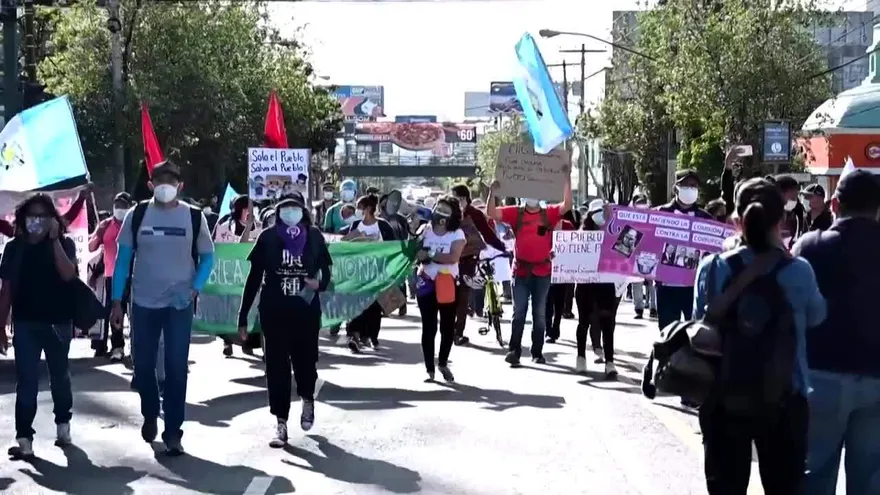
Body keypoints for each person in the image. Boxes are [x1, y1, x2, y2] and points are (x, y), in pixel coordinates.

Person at [693, 177, 825, 494]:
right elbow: (818, 316)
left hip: (724, 399)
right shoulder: (799, 270)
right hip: (784, 400)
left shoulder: (711, 268)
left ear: (735, 219)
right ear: (781, 221)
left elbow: (700, 325)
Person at [110, 161, 215, 456]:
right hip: (142, 304)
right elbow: (122, 261)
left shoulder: (194, 217)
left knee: (176, 368)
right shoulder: (138, 214)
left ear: (180, 185)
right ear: (151, 185)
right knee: (142, 367)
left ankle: (173, 432)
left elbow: (208, 257)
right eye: (161, 179)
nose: (166, 184)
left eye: (172, 179)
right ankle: (149, 411)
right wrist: (116, 301)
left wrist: (195, 287)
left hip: (178, 305)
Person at [793, 170, 880, 495]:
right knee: (871, 478)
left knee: (815, 475)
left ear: (834, 203)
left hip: (821, 377)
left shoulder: (811, 246)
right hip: (876, 380)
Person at [237, 192, 331, 447]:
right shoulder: (268, 238)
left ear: (303, 210)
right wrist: (243, 316)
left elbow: (327, 273)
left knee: (305, 365)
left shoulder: (313, 237)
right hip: (274, 313)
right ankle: (281, 423)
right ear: (278, 211)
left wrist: (319, 283)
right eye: (285, 207)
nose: (290, 212)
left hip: (305, 313)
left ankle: (307, 399)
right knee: (276, 368)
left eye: (295, 207)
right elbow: (254, 277)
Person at [2, 194, 79, 459]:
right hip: (26, 324)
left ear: (53, 220)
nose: (36, 221)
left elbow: (69, 274)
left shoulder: (64, 244)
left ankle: (63, 425)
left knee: (59, 377)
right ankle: (24, 438)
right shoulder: (14, 248)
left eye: (42, 216)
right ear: (22, 219)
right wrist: (0, 325)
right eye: (31, 216)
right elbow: (6, 290)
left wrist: (55, 239)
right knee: (26, 381)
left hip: (58, 323)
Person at [486, 175, 572, 367]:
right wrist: (493, 191)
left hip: (543, 272)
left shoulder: (549, 213)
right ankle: (514, 350)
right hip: (521, 272)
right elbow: (491, 212)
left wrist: (566, 179)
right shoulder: (515, 213)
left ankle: (537, 352)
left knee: (539, 315)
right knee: (519, 313)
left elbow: (566, 205)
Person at [654, 170, 712, 332]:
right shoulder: (660, 213)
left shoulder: (706, 218)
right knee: (667, 333)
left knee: (695, 334)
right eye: (686, 185)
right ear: (676, 188)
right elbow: (637, 228)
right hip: (666, 286)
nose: (690, 189)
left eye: (693, 186)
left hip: (693, 287)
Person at [450, 184, 507, 345]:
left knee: (462, 295)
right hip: (449, 260)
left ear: (464, 198)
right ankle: (451, 327)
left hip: (469, 260)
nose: (455, 201)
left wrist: (502, 248)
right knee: (449, 296)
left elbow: (487, 234)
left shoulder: (475, 214)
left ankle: (458, 332)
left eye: (457, 198)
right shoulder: (449, 213)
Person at [416, 196, 465, 382]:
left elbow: (453, 257)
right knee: (428, 327)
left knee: (447, 327)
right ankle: (429, 367)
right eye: (439, 208)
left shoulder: (457, 234)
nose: (441, 212)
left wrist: (430, 254)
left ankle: (443, 362)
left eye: (446, 210)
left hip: (447, 284)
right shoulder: (425, 230)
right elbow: (415, 250)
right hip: (426, 283)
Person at [341, 194, 395, 352]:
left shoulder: (383, 226)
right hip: (358, 272)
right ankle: (354, 335)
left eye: (359, 208)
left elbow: (393, 247)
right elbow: (346, 243)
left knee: (373, 306)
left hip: (377, 273)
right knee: (357, 304)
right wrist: (357, 239)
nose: (357, 211)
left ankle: (372, 337)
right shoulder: (356, 224)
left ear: (369, 209)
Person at [573, 199, 621, 377]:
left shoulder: (614, 233)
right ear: (590, 216)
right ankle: (580, 357)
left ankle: (610, 362)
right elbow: (570, 254)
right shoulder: (581, 234)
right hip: (585, 284)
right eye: (597, 212)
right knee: (584, 321)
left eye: (604, 211)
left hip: (606, 283)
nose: (601, 215)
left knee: (608, 323)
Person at [88, 192, 134, 361]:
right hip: (112, 276)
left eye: (123, 206)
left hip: (133, 275)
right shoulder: (106, 225)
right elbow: (92, 247)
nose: (120, 209)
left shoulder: (134, 225)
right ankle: (117, 346)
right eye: (117, 206)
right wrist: (98, 233)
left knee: (134, 312)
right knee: (115, 312)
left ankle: (136, 346)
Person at [213, 194, 259, 357]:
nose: (251, 212)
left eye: (253, 209)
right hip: (229, 278)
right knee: (229, 312)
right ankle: (228, 341)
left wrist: (251, 227)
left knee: (249, 312)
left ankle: (248, 343)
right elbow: (219, 250)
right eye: (247, 208)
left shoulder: (259, 228)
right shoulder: (224, 228)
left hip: (249, 277)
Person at [545, 209, 576, 343]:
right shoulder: (544, 226)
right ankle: (548, 330)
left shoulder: (568, 226)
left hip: (562, 271)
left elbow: (574, 246)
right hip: (545, 269)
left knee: (559, 302)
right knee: (547, 302)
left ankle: (556, 327)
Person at [629, 194, 656, 319]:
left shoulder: (653, 218)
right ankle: (638, 308)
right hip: (636, 253)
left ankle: (653, 308)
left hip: (652, 253)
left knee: (652, 282)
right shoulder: (630, 219)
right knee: (636, 282)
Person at [775, 174, 806, 249]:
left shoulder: (797, 213)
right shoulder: (767, 214)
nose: (795, 200)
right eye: (792, 198)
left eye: (795, 198)